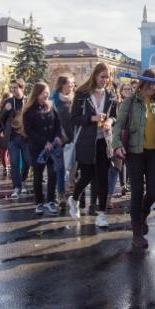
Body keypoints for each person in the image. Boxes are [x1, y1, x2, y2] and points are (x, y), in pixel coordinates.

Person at [112, 69, 155, 247]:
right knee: (137, 191)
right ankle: (137, 232)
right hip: (134, 152)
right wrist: (116, 144)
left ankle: (143, 212)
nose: (154, 87)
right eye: (151, 83)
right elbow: (118, 126)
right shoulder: (130, 102)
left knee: (154, 191)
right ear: (143, 82)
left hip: (154, 151)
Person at [68, 63, 117, 227]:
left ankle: (101, 214)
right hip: (86, 141)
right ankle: (74, 199)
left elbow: (114, 115)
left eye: (107, 76)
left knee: (103, 177)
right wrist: (91, 119)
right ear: (95, 75)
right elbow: (74, 118)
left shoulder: (110, 93)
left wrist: (109, 121)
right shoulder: (82, 94)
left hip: (104, 140)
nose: (105, 80)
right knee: (87, 176)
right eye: (102, 76)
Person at [22, 82, 62, 216]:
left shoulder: (51, 106)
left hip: (52, 147)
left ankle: (51, 201)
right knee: (38, 176)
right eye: (45, 92)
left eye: (48, 92)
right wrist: (44, 142)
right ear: (38, 93)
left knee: (53, 174)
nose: (47, 94)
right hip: (38, 148)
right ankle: (39, 202)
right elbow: (29, 131)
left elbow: (57, 123)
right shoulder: (29, 111)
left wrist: (57, 137)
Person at [0, 79, 30, 198]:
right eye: (12, 88)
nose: (13, 90)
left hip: (25, 137)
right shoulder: (9, 101)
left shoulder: (28, 101)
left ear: (22, 88)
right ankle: (16, 187)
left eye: (16, 87)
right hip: (13, 137)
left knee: (27, 161)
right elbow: (1, 118)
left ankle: (23, 180)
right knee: (15, 162)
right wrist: (5, 110)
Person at [51, 75, 75, 208]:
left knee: (73, 168)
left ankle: (72, 189)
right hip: (59, 139)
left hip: (74, 138)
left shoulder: (76, 99)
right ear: (62, 85)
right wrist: (57, 136)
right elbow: (52, 120)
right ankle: (60, 194)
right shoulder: (54, 100)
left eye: (73, 83)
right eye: (70, 83)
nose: (72, 85)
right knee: (60, 168)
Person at [108, 83, 133, 198]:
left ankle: (127, 182)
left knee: (128, 162)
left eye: (130, 89)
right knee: (120, 162)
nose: (128, 91)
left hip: (131, 135)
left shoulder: (135, 103)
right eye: (125, 89)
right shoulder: (117, 104)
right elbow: (115, 119)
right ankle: (122, 185)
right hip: (120, 135)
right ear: (121, 91)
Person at [0, 92, 11, 176]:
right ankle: (6, 167)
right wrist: (0, 131)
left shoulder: (1, 108)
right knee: (4, 151)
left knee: (7, 151)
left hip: (9, 133)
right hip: (3, 133)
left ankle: (7, 167)